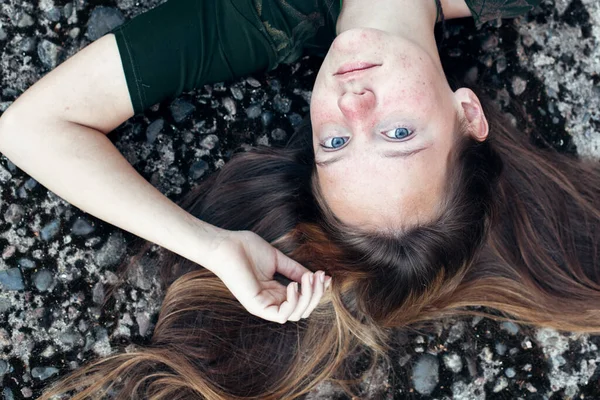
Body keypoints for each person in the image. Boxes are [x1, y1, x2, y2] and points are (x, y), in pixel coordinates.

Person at [1, 0, 599, 398]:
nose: (354, 104)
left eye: (335, 142)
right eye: (398, 134)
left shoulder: (255, 18)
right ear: (467, 114)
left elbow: (29, 129)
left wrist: (210, 245)